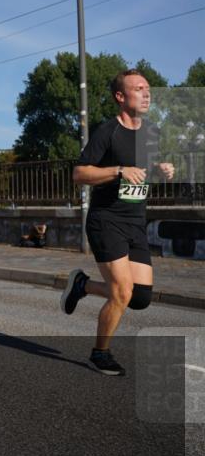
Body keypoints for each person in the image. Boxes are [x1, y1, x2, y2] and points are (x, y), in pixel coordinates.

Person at [61, 69, 175, 375]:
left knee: (139, 297)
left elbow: (143, 170)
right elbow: (79, 174)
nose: (146, 93)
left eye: (148, 88)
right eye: (138, 89)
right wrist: (117, 170)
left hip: (135, 222)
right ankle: (100, 353)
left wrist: (162, 170)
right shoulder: (108, 131)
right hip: (106, 220)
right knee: (122, 292)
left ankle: (82, 284)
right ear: (121, 97)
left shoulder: (152, 133)